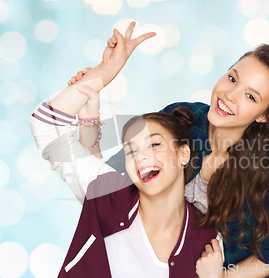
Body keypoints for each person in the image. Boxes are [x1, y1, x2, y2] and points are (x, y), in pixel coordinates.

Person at [70, 22, 269, 277]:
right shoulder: (183, 119)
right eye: (232, 78)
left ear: (264, 116)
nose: (230, 95)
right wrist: (94, 101)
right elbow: (105, 184)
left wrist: (219, 277)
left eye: (251, 96)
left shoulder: (262, 169)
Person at [28, 26, 221, 277]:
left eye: (154, 144)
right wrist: (105, 71)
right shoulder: (106, 193)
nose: (141, 156)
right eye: (131, 150)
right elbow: (46, 125)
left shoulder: (207, 240)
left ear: (183, 154)